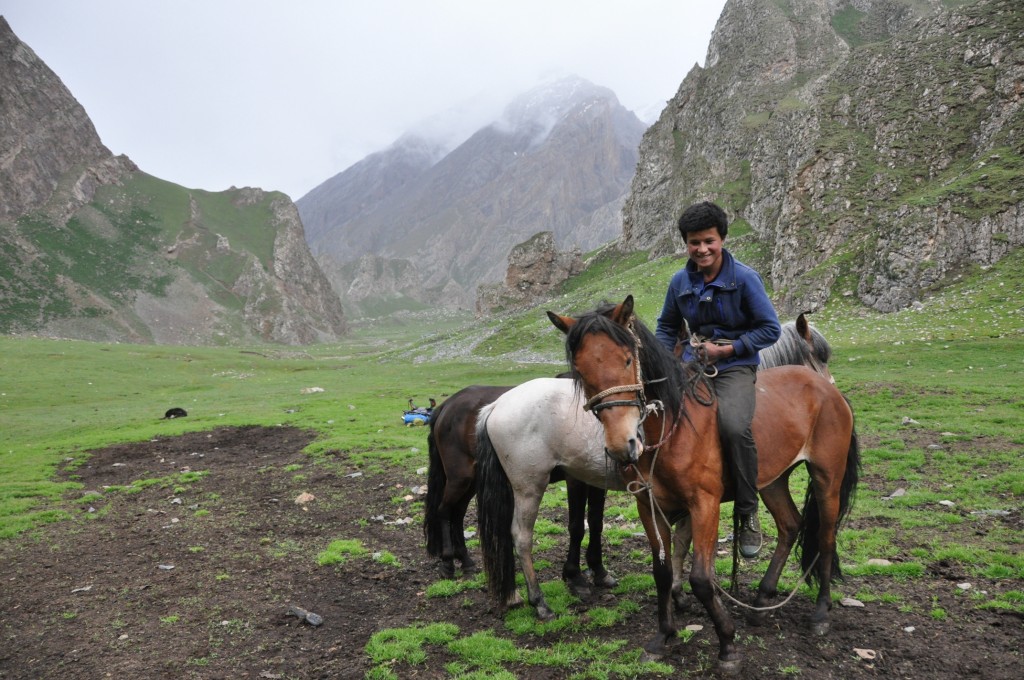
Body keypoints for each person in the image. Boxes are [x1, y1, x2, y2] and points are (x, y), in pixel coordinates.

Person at [654, 201, 781, 558]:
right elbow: (666, 326)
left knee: (733, 425)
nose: (702, 249)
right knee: (665, 420)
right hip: (691, 365)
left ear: (722, 238)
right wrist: (664, 361)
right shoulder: (680, 281)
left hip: (735, 366)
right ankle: (675, 497)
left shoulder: (745, 278)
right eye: (694, 242)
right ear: (686, 244)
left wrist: (729, 350)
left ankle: (746, 510)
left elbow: (770, 329)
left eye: (709, 240)